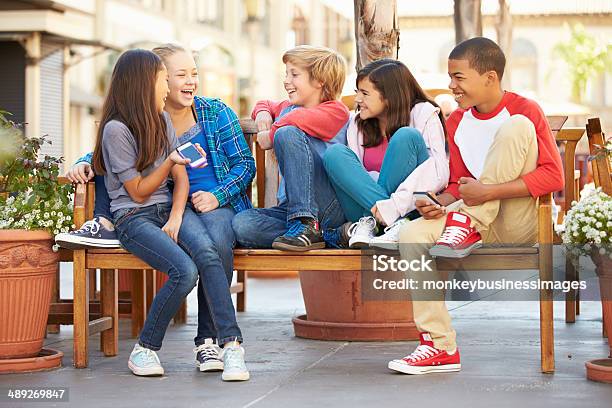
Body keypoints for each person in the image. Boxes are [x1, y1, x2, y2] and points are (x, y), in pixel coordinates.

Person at [58, 45, 253, 381]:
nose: (189, 81)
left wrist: (179, 214)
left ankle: (230, 345)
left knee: (210, 249)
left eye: (194, 73)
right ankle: (146, 348)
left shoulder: (188, 115)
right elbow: (127, 176)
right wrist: (82, 163)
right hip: (135, 216)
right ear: (147, 82)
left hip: (180, 207)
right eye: (174, 76)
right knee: (186, 270)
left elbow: (189, 175)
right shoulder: (122, 127)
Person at [388, 37, 564, 375]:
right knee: (412, 234)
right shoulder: (455, 122)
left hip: (518, 221)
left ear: (490, 78)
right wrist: (437, 204)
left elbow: (554, 177)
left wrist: (487, 193)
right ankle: (439, 346)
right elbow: (459, 184)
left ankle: (469, 223)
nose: (451, 86)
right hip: (465, 225)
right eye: (450, 77)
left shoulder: (524, 111)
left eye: (459, 77)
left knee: (517, 128)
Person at [232, 45, 349, 251]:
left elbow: (295, 120)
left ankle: (307, 224)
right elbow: (265, 103)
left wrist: (271, 133)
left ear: (320, 80)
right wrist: (263, 114)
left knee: (288, 133)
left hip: (327, 205)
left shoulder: (335, 111)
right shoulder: (289, 108)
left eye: (294, 74)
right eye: (286, 74)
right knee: (242, 224)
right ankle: (326, 236)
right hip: (290, 210)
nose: (286, 81)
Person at [322, 59, 449, 249]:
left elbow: (438, 172)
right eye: (358, 92)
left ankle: (396, 222)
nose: (357, 100)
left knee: (407, 136)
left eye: (365, 93)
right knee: (335, 154)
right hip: (365, 222)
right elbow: (357, 180)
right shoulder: (357, 123)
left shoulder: (423, 113)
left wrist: (394, 206)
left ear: (389, 96)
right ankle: (373, 223)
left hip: (409, 211)